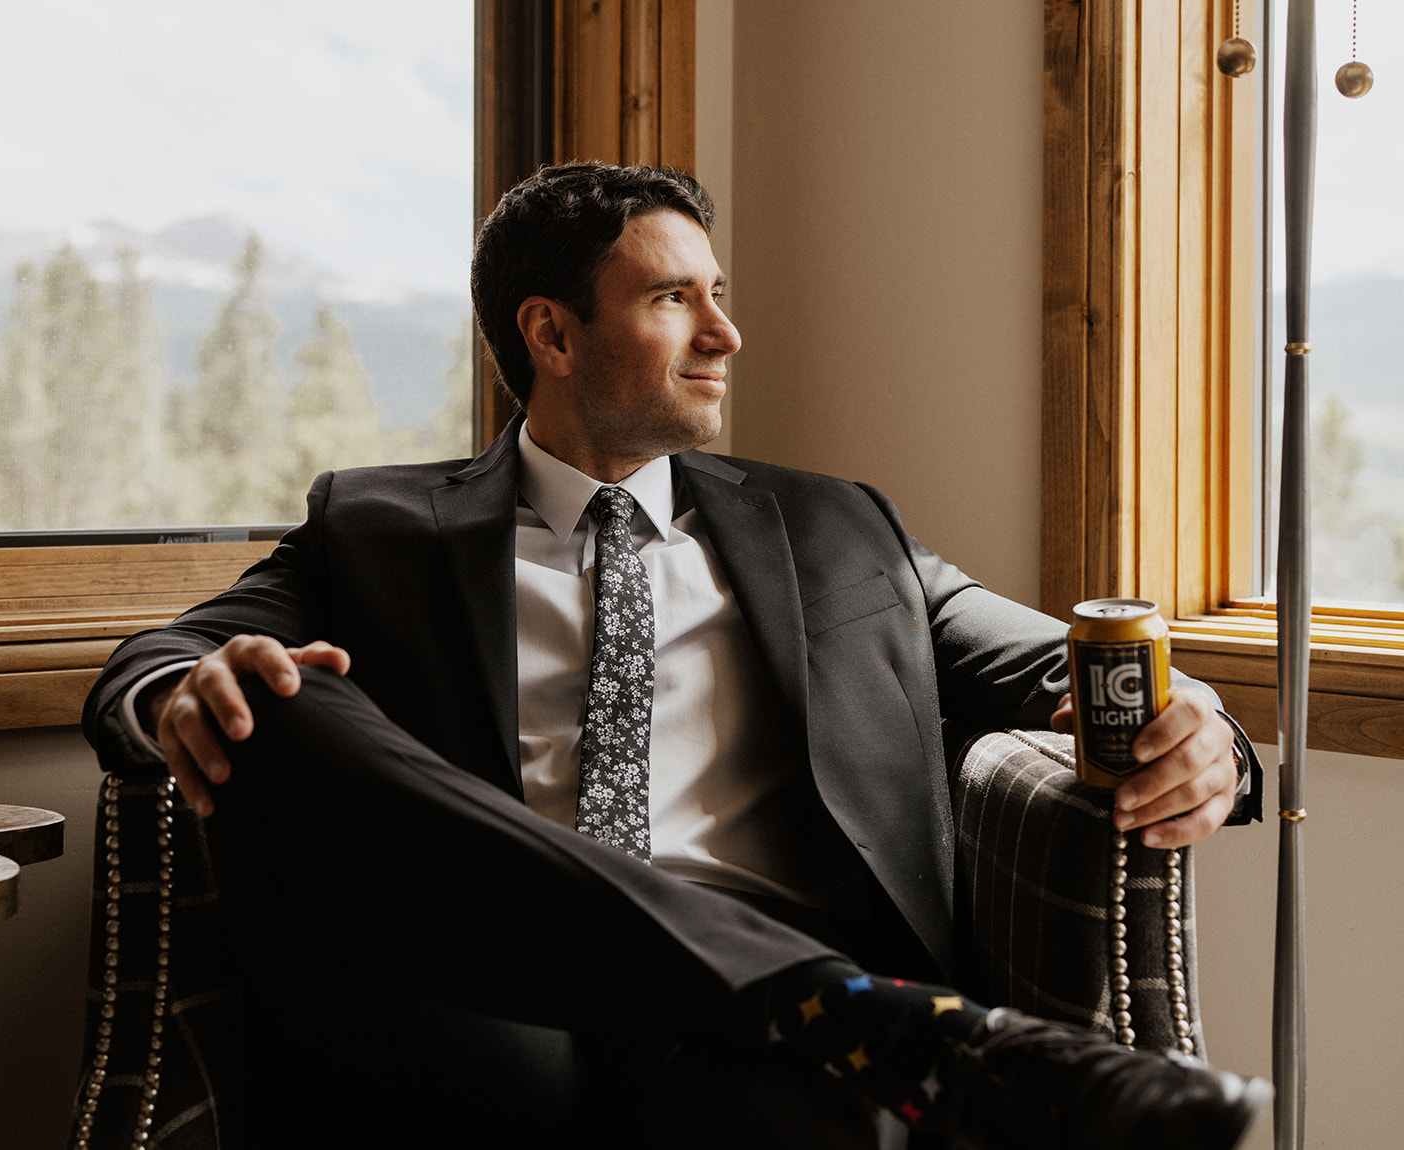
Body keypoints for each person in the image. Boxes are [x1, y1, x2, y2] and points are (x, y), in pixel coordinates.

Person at [85, 162, 1269, 1149]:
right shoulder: (377, 527)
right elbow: (155, 657)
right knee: (267, 694)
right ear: (550, 331)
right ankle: (870, 1019)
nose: (726, 332)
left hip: (761, 1050)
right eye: (671, 299)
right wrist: (177, 688)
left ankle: (821, 1006)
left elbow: (1042, 662)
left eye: (718, 293)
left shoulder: (837, 529)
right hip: (489, 1004)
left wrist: (1199, 730)